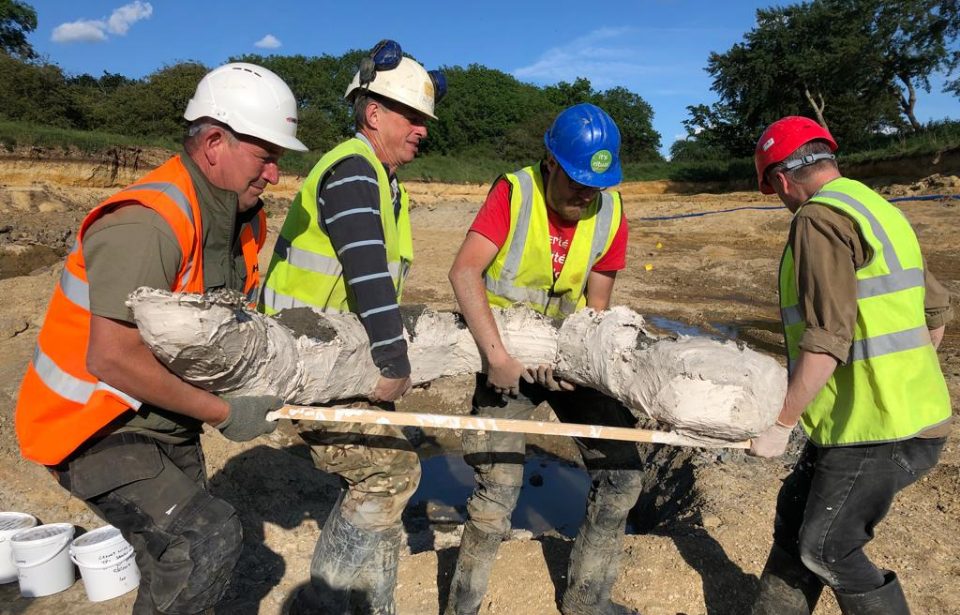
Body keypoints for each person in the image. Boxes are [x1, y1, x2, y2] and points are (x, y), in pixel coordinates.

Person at [14, 63, 307, 614]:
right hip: (93, 424)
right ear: (215, 142)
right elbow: (112, 357)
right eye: (265, 155)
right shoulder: (149, 221)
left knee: (167, 562)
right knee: (204, 539)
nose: (274, 173)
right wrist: (224, 412)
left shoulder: (240, 219)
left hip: (162, 418)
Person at [259, 40, 445, 613]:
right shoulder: (352, 170)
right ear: (373, 113)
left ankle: (376, 606)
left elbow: (375, 282)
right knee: (389, 476)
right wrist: (395, 361)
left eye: (424, 121)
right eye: (412, 117)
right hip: (304, 358)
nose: (422, 130)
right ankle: (322, 604)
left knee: (390, 481)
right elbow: (365, 269)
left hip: (338, 355)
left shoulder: (385, 181)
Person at [748, 116, 953, 615]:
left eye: (773, 189)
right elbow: (936, 315)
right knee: (796, 519)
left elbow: (825, 341)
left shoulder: (818, 218)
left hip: (877, 428)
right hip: (910, 416)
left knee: (827, 546)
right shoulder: (876, 207)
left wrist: (781, 423)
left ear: (780, 179)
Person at [445, 103, 643, 615]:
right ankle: (462, 607)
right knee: (497, 488)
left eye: (594, 185)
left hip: (566, 362)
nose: (585, 195)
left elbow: (596, 307)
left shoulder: (611, 212)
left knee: (622, 474)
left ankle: (587, 601)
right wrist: (498, 358)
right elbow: (465, 272)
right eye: (576, 180)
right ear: (551, 161)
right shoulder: (515, 193)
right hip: (504, 356)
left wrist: (580, 368)